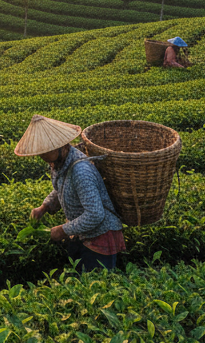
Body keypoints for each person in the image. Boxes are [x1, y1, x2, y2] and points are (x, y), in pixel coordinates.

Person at [17, 115, 125, 272]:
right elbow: (62, 187)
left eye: (45, 153)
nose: (43, 158)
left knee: (97, 287)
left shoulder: (81, 172)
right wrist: (45, 207)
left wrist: (63, 230)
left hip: (100, 236)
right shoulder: (60, 163)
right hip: (81, 234)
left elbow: (95, 214)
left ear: (59, 147)